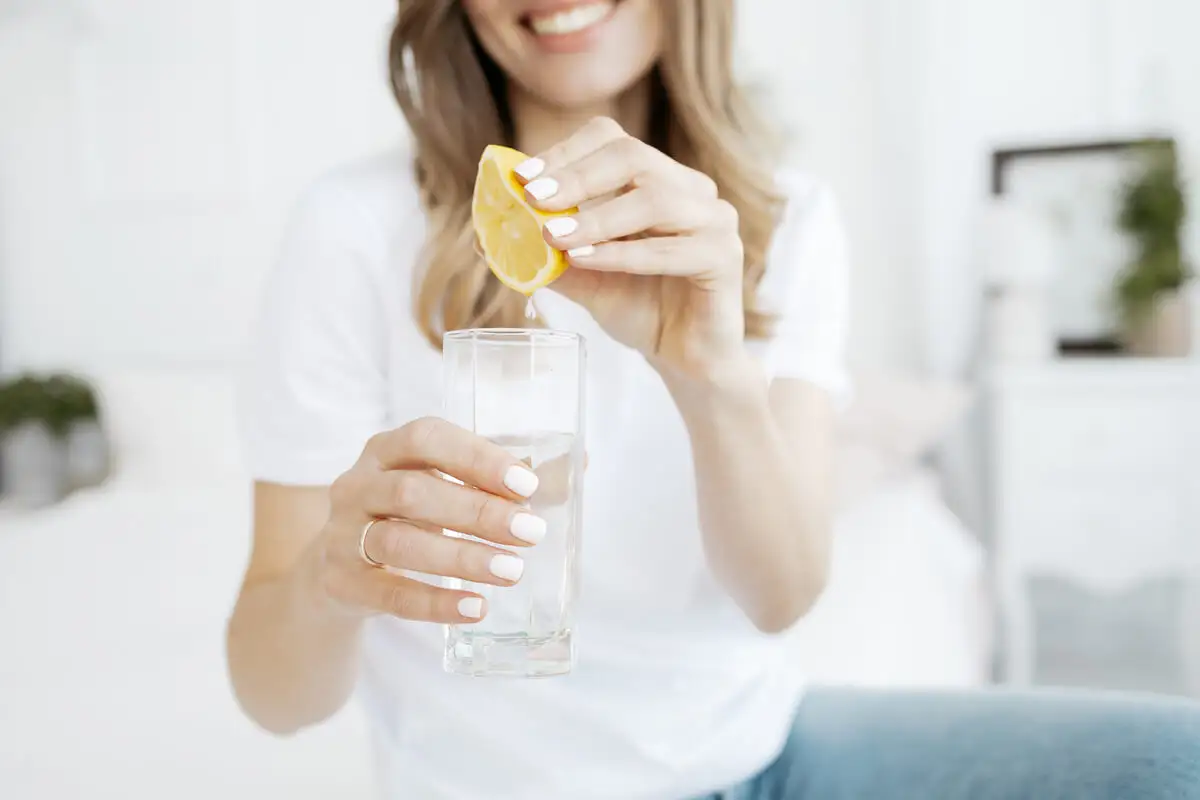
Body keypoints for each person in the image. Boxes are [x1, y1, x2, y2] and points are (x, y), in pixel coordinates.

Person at [226, 1, 1200, 798]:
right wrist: (331, 571)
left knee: (1173, 765)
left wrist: (711, 376)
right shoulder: (353, 228)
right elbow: (271, 693)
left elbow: (782, 593)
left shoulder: (787, 217)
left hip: (761, 758)